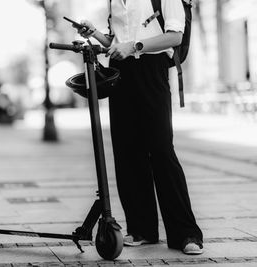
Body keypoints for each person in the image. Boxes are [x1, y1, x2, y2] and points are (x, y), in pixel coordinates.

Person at [76, 0, 203, 255]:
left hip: (151, 69)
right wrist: (96, 35)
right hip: (121, 72)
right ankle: (142, 229)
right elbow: (117, 43)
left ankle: (186, 233)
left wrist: (134, 46)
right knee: (127, 151)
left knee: (161, 150)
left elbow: (175, 36)